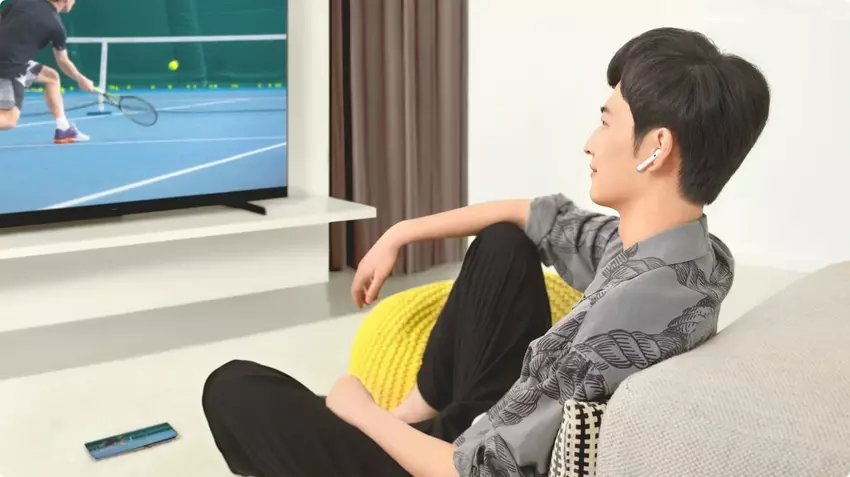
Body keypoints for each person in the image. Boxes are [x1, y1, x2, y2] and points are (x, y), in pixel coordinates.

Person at [201, 26, 771, 477]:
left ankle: (399, 426)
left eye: (606, 121)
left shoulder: (617, 318)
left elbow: (472, 471)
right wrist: (400, 232)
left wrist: (363, 413)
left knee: (233, 389)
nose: (590, 142)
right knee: (504, 241)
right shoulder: (693, 257)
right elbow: (532, 215)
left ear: (656, 147)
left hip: (457, 466)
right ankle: (418, 415)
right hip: (483, 426)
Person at [0, 0, 94, 143]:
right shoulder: (56, 26)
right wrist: (81, 79)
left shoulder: (22, 2)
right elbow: (62, 61)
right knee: (9, 120)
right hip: (9, 69)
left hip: (17, 63)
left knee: (51, 77)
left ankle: (63, 128)